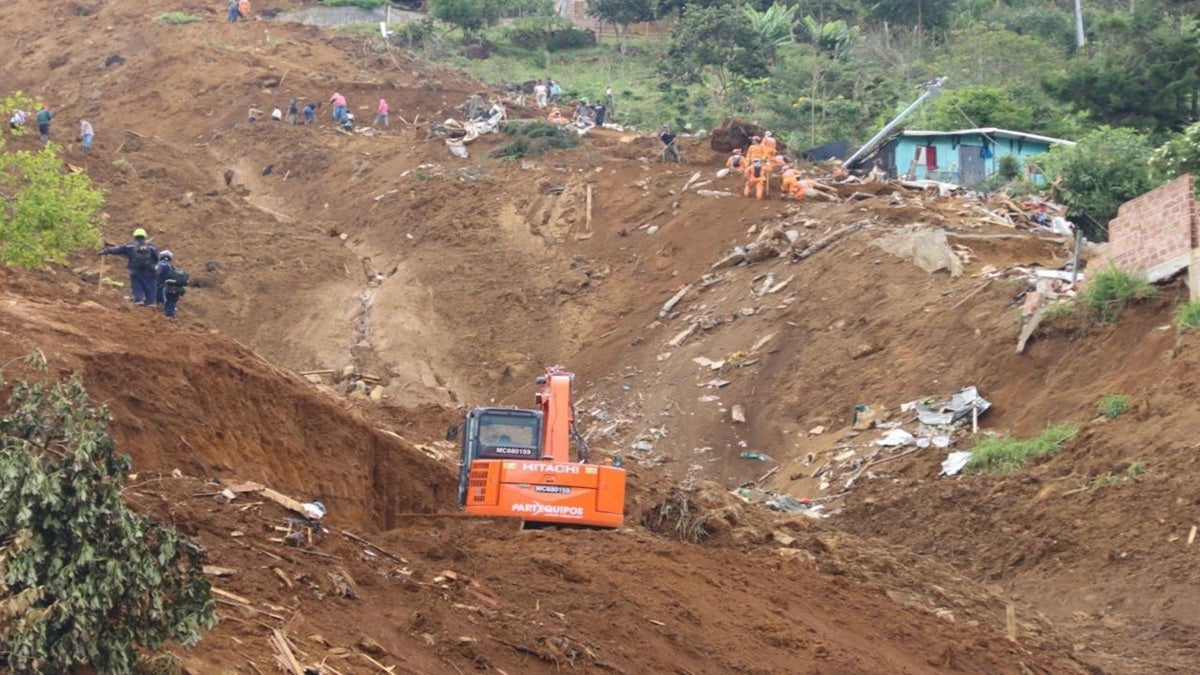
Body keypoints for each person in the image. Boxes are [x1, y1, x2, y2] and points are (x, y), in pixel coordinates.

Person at [100, 228, 159, 305]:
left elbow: (117, 250)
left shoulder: (130, 246)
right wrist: (155, 268)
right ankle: (151, 303)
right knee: (150, 287)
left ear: (135, 237)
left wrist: (106, 251)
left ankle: (139, 300)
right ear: (145, 237)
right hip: (149, 271)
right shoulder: (152, 247)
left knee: (137, 285)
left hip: (135, 270)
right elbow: (158, 258)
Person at [155, 250, 187, 319]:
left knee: (153, 300)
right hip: (176, 289)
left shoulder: (161, 265)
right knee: (171, 303)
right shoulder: (173, 267)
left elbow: (155, 274)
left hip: (163, 288)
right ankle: (172, 316)